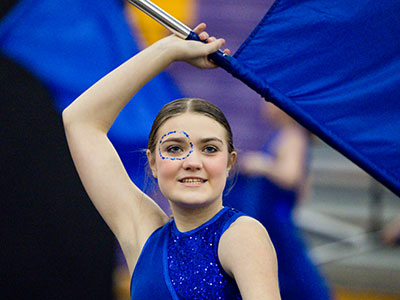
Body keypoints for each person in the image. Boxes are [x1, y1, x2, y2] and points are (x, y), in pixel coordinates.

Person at [62, 23, 281, 300]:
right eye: (175, 148)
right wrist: (167, 49)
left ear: (229, 162)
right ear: (153, 162)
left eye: (210, 149)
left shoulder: (242, 235)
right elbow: (80, 121)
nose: (192, 161)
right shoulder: (143, 233)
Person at [224, 102, 332, 300]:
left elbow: (291, 176)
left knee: (288, 272)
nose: (264, 107)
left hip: (275, 220)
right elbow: (304, 189)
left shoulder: (292, 135)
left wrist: (262, 165)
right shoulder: (283, 134)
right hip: (272, 216)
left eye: (269, 102)